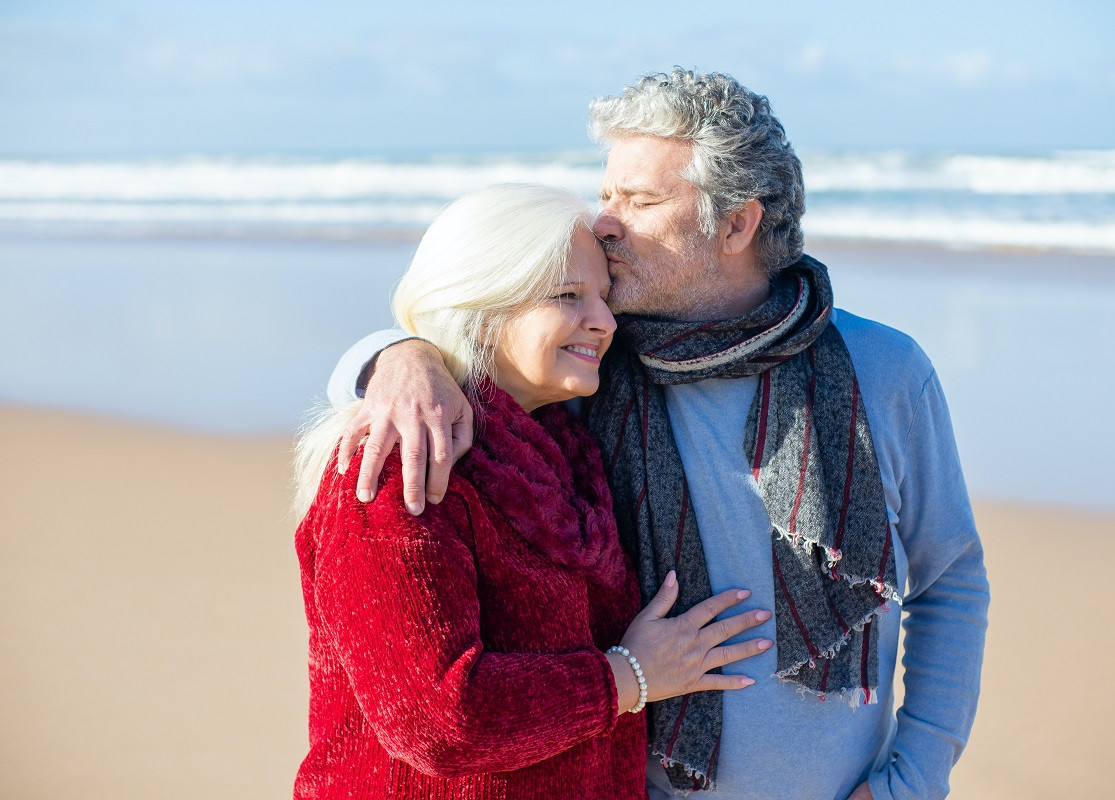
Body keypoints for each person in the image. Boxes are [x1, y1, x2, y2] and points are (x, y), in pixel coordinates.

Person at [329, 70, 990, 800]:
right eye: (606, 194)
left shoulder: (885, 371)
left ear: (737, 224)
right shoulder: (590, 369)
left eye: (639, 201)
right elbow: (477, 332)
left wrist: (915, 778)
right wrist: (395, 356)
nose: (605, 222)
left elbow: (949, 579)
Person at [293, 183, 774, 800]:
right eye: (567, 296)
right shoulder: (401, 463)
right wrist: (629, 676)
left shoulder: (566, 450)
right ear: (482, 306)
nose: (603, 321)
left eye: (604, 296)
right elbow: (437, 723)